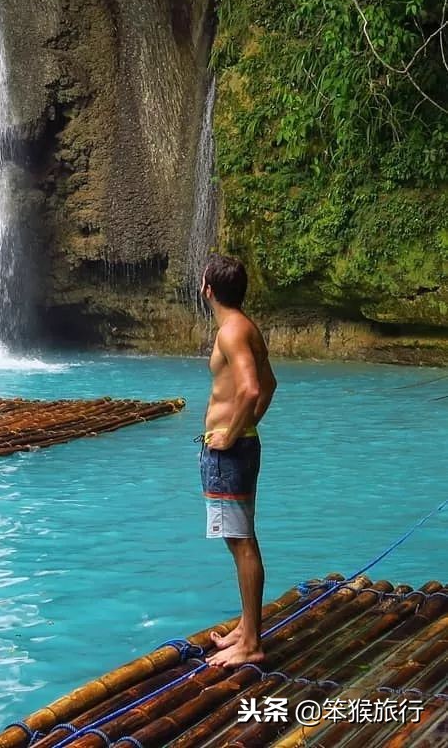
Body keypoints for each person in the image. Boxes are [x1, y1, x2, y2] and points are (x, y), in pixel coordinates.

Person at [199, 253, 277, 668]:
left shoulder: (231, 332)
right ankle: (247, 630)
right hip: (239, 446)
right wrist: (246, 429)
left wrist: (230, 434)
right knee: (241, 539)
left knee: (241, 544)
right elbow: (269, 385)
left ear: (208, 288)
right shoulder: (245, 327)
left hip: (229, 452)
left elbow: (249, 390)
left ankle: (252, 643)